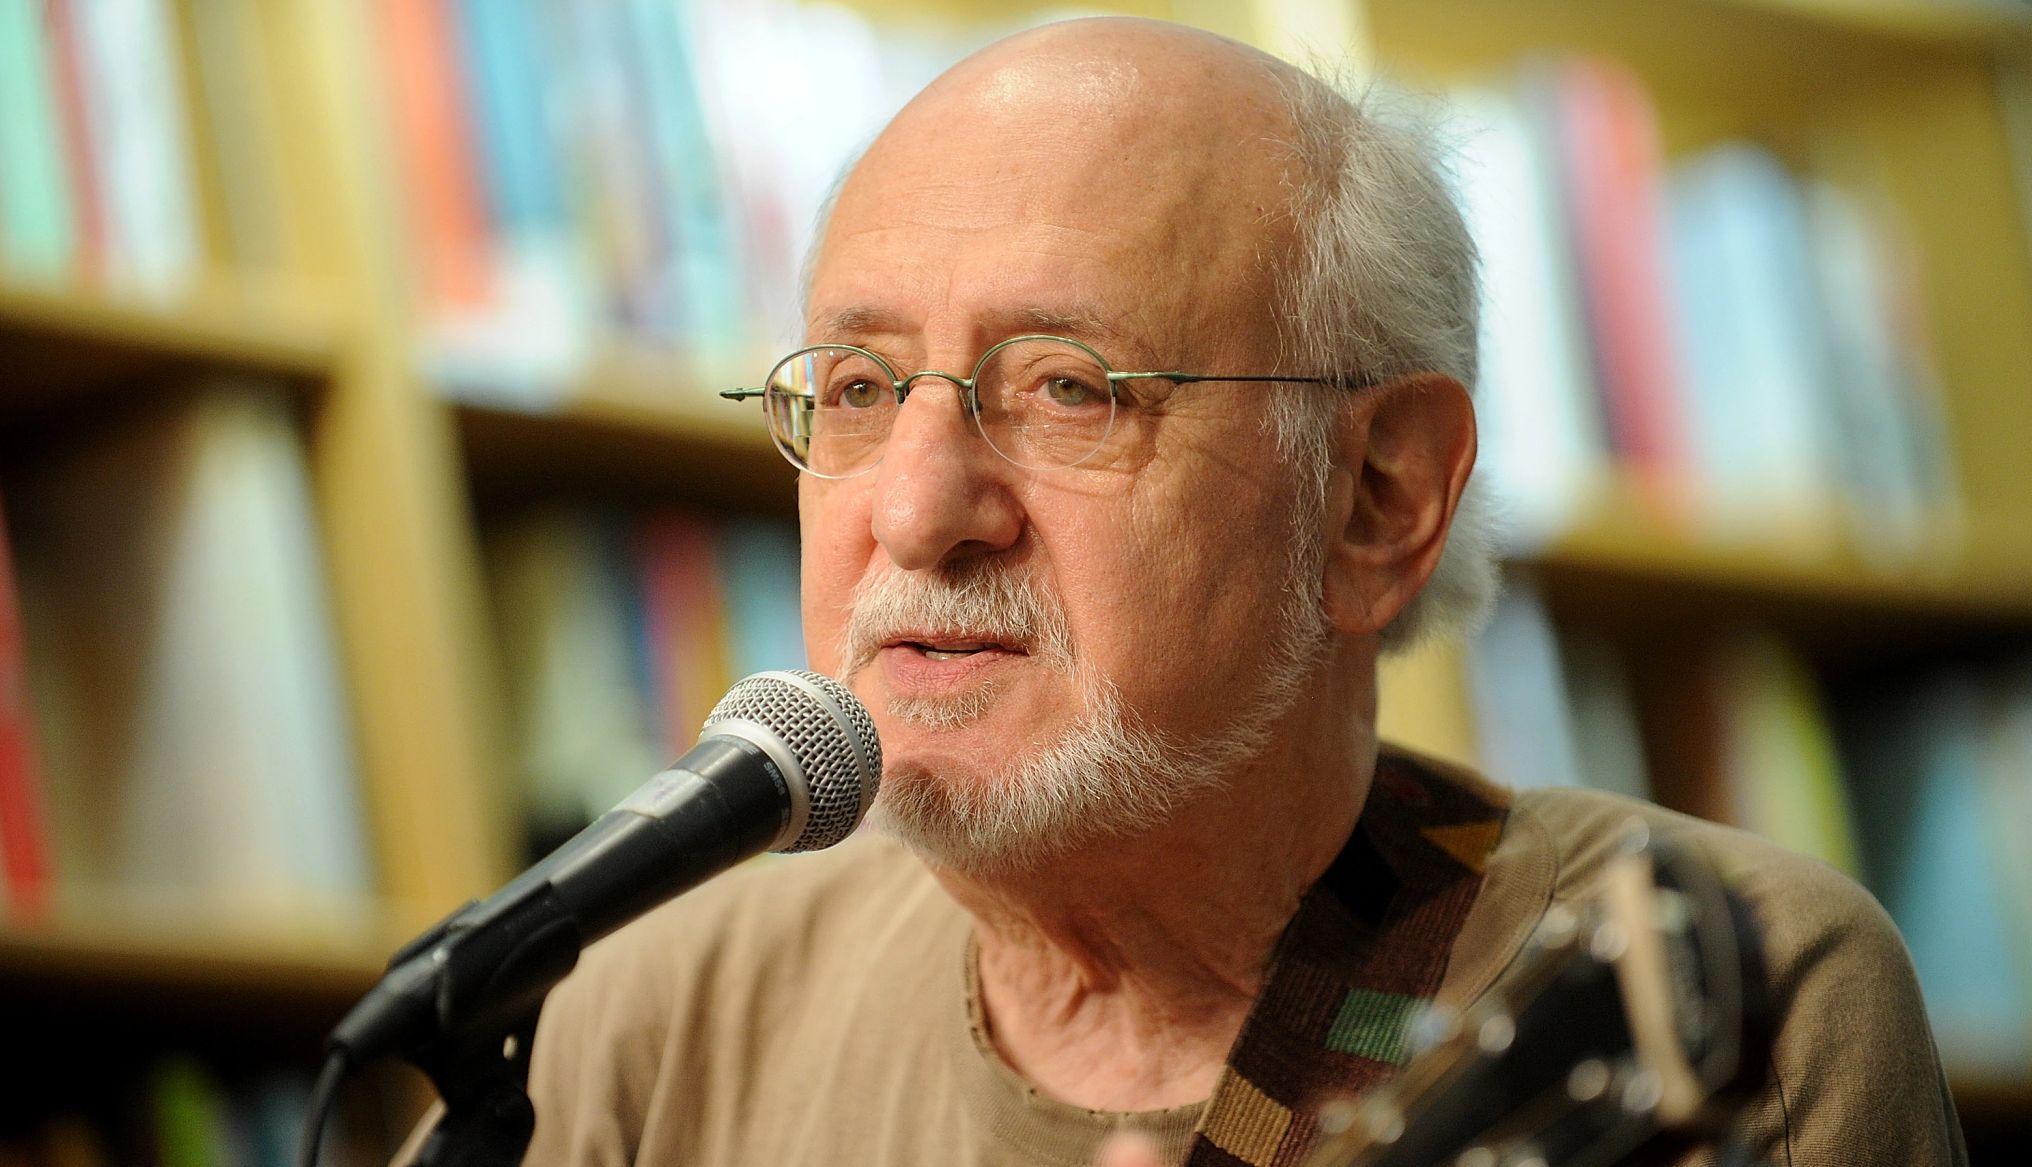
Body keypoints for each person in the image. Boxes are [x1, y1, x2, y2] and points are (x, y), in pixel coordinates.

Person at [415, 16, 1965, 1167]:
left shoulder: (1737, 989)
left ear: (1377, 498)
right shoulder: (636, 1017)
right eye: (866, 384)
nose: (917, 507)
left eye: (1070, 389)